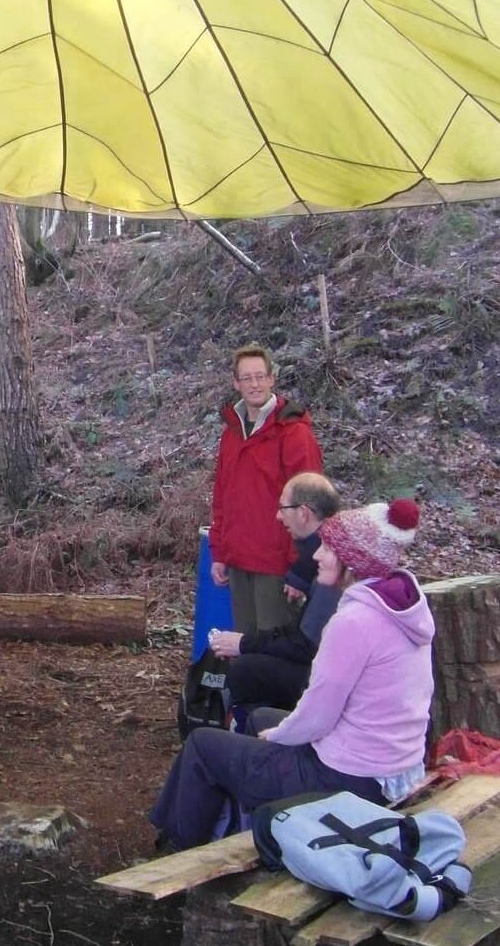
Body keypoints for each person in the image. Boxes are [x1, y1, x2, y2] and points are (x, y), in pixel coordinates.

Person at [151, 498, 429, 850]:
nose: (316, 556)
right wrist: (278, 731)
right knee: (261, 718)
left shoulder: (355, 622)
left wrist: (279, 737)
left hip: (347, 779)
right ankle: (250, 831)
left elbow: (318, 714)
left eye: (329, 548)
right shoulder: (400, 609)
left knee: (203, 745)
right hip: (389, 770)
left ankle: (176, 851)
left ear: (353, 561)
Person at [208, 473, 342, 719]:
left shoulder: (332, 568)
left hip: (332, 680)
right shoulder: (323, 553)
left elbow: (305, 646)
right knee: (249, 661)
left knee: (246, 670)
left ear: (304, 513)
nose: (277, 516)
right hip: (326, 667)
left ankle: (256, 732)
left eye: (282, 508)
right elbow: (300, 632)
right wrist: (244, 642)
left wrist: (244, 644)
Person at [209, 345, 323, 634]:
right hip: (238, 562)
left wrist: (301, 569)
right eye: (246, 378)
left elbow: (310, 504)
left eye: (260, 376)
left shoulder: (293, 432)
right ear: (236, 383)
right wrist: (220, 552)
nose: (254, 384)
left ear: (272, 379)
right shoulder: (231, 434)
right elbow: (223, 497)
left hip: (277, 567)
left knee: (275, 655)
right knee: (245, 654)